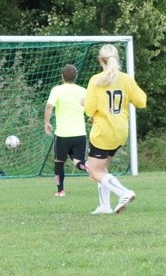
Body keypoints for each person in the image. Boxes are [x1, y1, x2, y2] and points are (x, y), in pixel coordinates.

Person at [85, 44, 147, 214]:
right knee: (103, 169)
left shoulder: (96, 80)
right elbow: (141, 101)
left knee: (93, 170)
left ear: (100, 60)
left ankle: (124, 192)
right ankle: (105, 206)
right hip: (120, 131)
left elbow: (89, 110)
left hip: (103, 131)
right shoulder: (126, 79)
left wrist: (86, 104)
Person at [44, 64, 88, 197]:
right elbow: (90, 107)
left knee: (59, 162)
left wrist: (47, 123)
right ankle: (91, 168)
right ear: (76, 77)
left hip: (63, 135)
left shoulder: (57, 90)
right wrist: (91, 118)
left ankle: (60, 190)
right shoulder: (83, 91)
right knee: (78, 162)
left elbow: (49, 106)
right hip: (80, 134)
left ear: (62, 76)